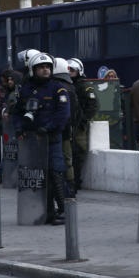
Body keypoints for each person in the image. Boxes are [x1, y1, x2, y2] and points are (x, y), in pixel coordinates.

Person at [12, 52, 70, 225]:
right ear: (33, 70)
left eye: (47, 67)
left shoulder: (58, 88)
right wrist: (19, 128)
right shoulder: (26, 89)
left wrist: (49, 128)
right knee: (37, 176)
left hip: (51, 138)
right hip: (31, 140)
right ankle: (44, 211)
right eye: (41, 67)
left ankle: (63, 210)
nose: (45, 70)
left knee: (55, 172)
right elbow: (17, 112)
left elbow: (63, 114)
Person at [67, 57, 97, 192]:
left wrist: (82, 120)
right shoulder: (67, 85)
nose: (69, 72)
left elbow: (93, 105)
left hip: (78, 127)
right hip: (68, 124)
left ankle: (75, 182)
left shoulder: (84, 86)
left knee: (78, 153)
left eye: (72, 70)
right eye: (67, 70)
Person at [53, 58, 80, 196]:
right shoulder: (70, 86)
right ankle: (70, 190)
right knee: (68, 160)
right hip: (68, 129)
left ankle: (67, 192)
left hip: (59, 131)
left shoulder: (58, 87)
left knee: (63, 161)